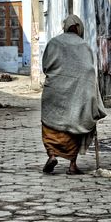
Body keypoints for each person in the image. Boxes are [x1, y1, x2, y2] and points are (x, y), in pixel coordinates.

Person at [41, 14, 107, 175]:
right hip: (77, 94)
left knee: (50, 126)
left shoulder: (54, 42)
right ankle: (72, 165)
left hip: (54, 93)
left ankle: (52, 155)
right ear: (80, 29)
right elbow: (89, 71)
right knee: (75, 125)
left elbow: (46, 66)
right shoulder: (84, 46)